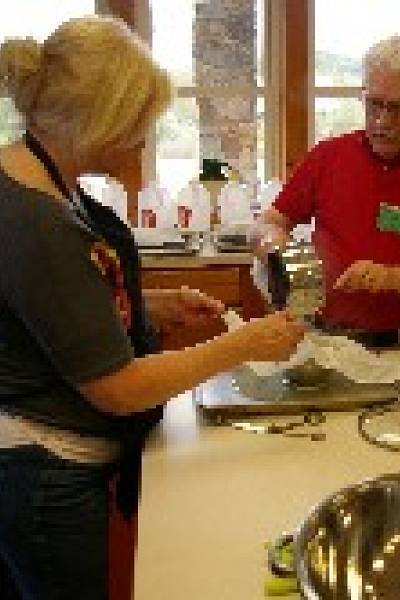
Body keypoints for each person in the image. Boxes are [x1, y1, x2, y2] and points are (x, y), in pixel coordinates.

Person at [0, 16, 304, 600]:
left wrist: (150, 305)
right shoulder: (35, 218)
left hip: (46, 463)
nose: (141, 142)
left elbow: (60, 303)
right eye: (136, 125)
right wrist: (243, 344)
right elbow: (117, 387)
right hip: (44, 475)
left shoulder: (41, 176)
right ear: (96, 120)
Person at [253, 35, 400, 350]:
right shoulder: (329, 156)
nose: (382, 120)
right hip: (321, 341)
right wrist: (274, 244)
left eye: (397, 108)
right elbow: (268, 223)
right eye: (374, 104)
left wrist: (391, 277)